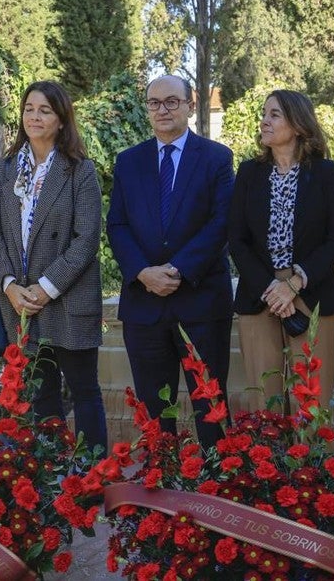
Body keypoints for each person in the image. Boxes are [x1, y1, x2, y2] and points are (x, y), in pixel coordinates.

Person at [107, 75, 235, 449]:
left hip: (200, 303)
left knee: (210, 405)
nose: (162, 110)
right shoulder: (128, 162)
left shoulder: (216, 158)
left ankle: (215, 486)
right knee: (152, 411)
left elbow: (221, 222)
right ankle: (161, 485)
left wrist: (178, 269)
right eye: (154, 103)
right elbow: (117, 223)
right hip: (144, 306)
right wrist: (143, 272)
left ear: (190, 106)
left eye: (171, 102)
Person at [0, 81, 107, 453]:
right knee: (41, 394)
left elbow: (86, 239)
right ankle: (50, 471)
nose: (34, 117)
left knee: (84, 390)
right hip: (18, 302)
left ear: (61, 118)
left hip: (65, 299)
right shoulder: (3, 172)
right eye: (29, 109)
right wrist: (8, 285)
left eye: (45, 110)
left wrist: (46, 288)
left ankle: (93, 472)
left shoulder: (80, 171)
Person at [229, 90, 334, 412]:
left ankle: (312, 464)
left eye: (274, 115)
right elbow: (236, 240)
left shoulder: (325, 173)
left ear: (297, 124)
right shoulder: (249, 173)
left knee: (312, 402)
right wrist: (272, 289)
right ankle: (268, 463)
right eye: (264, 113)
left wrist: (293, 285)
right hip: (259, 296)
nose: (264, 121)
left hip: (311, 294)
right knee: (263, 401)